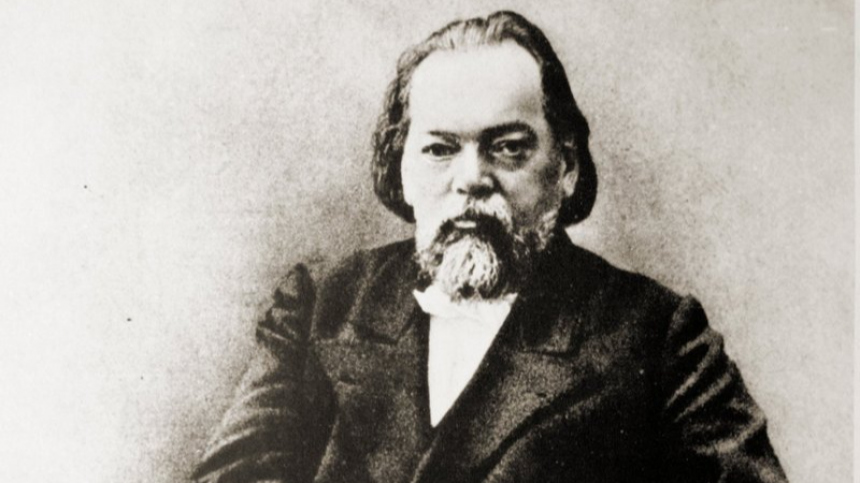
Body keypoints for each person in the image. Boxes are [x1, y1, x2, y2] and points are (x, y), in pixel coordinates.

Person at [192, 11, 788, 483]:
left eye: (507, 147)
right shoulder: (320, 306)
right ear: (401, 169)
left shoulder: (659, 339)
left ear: (566, 167)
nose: (472, 178)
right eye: (440, 149)